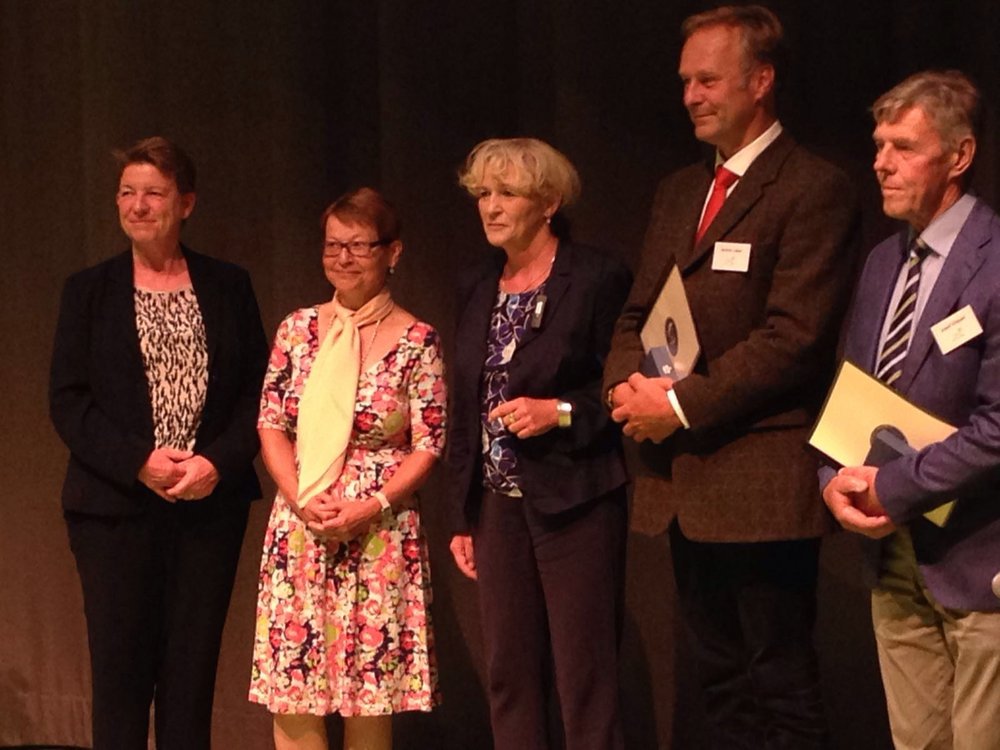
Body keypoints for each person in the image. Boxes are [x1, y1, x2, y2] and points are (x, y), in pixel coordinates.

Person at [603, 6, 859, 748]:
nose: (691, 95)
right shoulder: (678, 191)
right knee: (718, 682)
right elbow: (637, 314)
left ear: (762, 80)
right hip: (682, 481)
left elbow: (794, 339)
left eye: (708, 80)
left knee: (779, 682)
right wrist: (624, 389)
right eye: (685, 81)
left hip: (760, 481)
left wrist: (680, 405)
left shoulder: (813, 187)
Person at [49, 136, 268, 749]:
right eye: (127, 192)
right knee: (119, 678)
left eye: (154, 193)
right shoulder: (88, 291)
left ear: (186, 203)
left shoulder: (228, 286)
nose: (138, 205)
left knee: (189, 681)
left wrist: (215, 463)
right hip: (114, 510)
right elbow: (68, 400)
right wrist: (139, 462)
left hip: (207, 509)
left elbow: (261, 393)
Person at [821, 70, 1000, 750]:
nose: (881, 162)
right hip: (893, 554)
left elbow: (998, 426)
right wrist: (834, 480)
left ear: (959, 155)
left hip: (978, 555)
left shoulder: (996, 262)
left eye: (903, 147)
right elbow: (852, 393)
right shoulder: (880, 263)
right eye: (878, 145)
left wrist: (892, 487)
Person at [447, 137, 632, 750]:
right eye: (483, 193)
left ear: (548, 203)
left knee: (585, 677)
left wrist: (559, 412)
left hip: (575, 499)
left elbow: (622, 388)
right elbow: (466, 400)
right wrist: (463, 513)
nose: (491, 207)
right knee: (509, 673)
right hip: (497, 506)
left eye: (508, 193)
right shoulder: (476, 281)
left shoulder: (596, 277)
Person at [249, 187, 446, 750]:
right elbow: (271, 423)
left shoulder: (418, 341)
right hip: (302, 523)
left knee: (369, 696)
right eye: (333, 245)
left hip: (378, 531)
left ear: (393, 252)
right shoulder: (297, 330)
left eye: (359, 246)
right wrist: (299, 497)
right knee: (295, 688)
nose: (343, 258)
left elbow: (428, 442)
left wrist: (370, 505)